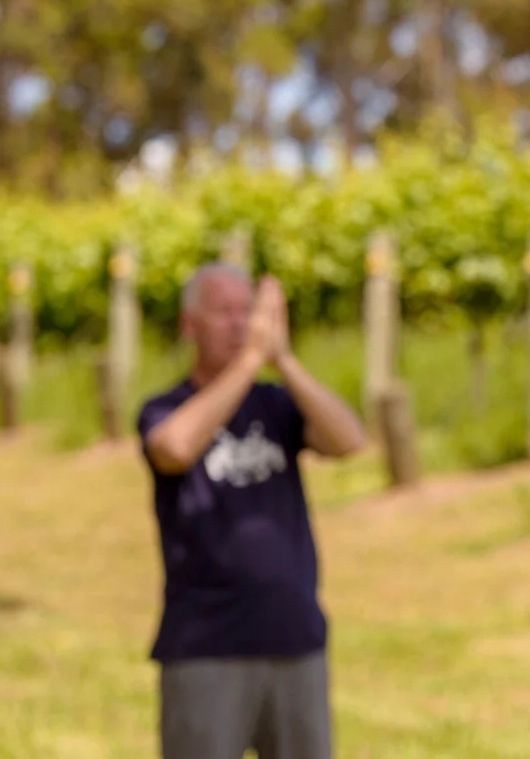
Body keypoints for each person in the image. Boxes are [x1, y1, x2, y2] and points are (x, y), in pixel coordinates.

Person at [137, 265, 365, 759]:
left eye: (249, 311)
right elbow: (174, 448)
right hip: (206, 645)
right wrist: (250, 362)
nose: (240, 325)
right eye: (223, 311)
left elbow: (349, 440)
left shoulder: (277, 405)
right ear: (189, 324)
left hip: (295, 638)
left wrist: (283, 361)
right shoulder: (165, 408)